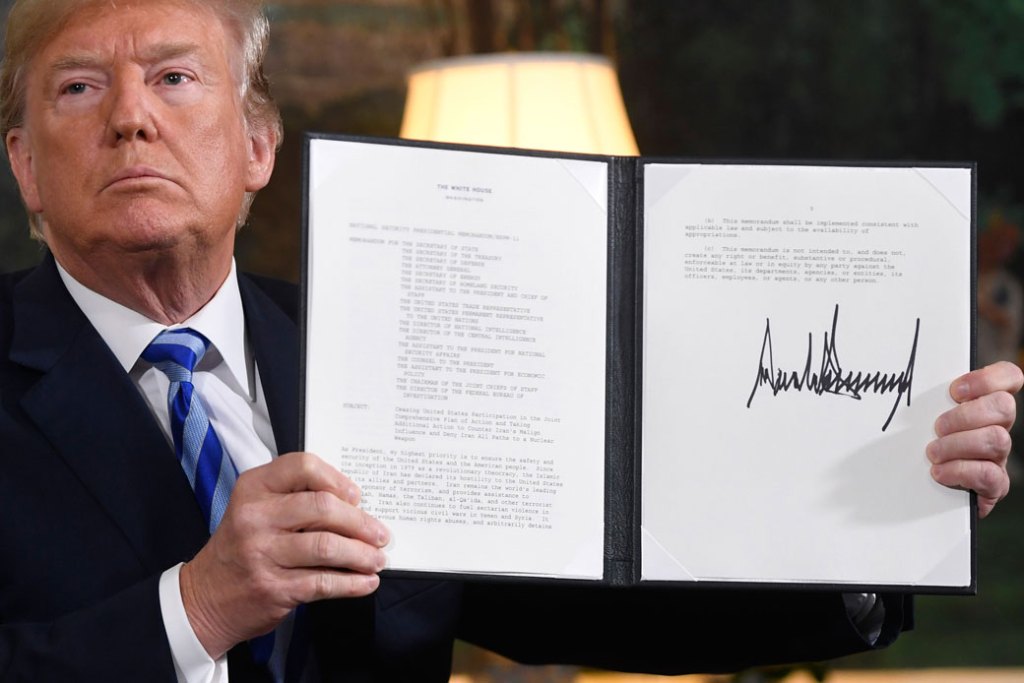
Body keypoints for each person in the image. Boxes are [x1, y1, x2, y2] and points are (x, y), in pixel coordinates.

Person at [0, 0, 1020, 681]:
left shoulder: (382, 343)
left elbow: (586, 604)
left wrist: (885, 521)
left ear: (259, 145)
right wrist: (195, 606)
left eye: (175, 78)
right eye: (80, 88)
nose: (131, 116)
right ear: (25, 167)